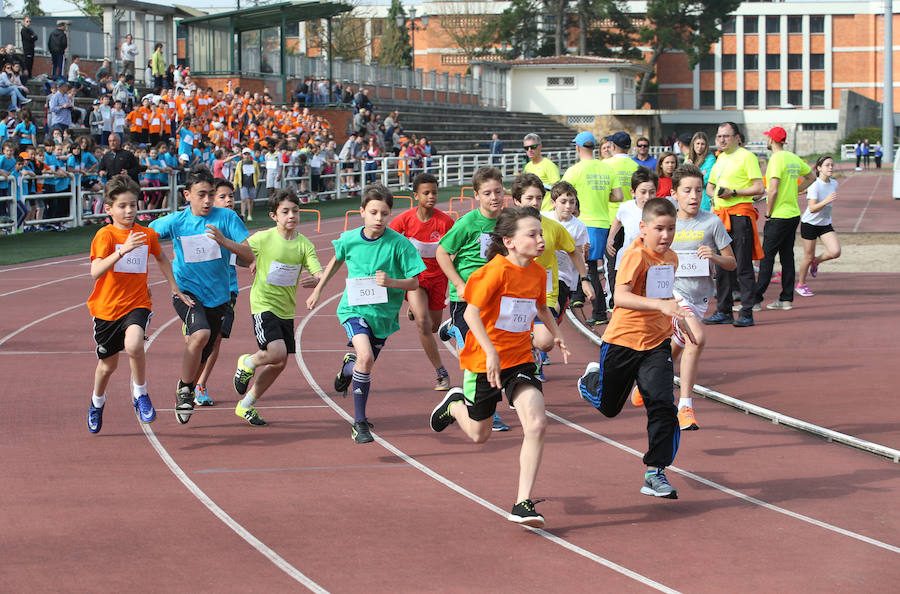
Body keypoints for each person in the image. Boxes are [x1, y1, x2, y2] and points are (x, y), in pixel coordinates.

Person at [430, 206, 569, 528]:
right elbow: (470, 315)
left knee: (537, 424)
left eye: (540, 233)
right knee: (480, 435)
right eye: (532, 234)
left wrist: (557, 335)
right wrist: (491, 352)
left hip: (520, 360)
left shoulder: (536, 272)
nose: (540, 239)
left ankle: (522, 503)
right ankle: (454, 406)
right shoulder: (492, 272)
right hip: (483, 361)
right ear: (509, 241)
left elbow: (539, 308)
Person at [577, 197, 695, 500]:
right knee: (609, 407)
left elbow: (664, 296)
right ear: (643, 228)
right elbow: (621, 297)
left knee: (662, 405)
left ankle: (656, 471)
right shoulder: (635, 256)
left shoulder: (671, 258)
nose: (666, 235)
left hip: (656, 343)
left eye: (671, 229)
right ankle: (591, 380)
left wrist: (677, 319)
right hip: (621, 342)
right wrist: (660, 305)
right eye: (659, 229)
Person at [306, 183, 426, 443]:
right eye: (373, 212)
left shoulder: (399, 244)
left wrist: (392, 282)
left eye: (384, 213)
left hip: (383, 316)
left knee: (364, 362)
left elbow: (415, 282)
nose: (379, 218)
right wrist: (319, 289)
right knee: (367, 356)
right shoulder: (349, 238)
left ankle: (348, 369)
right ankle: (359, 423)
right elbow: (336, 260)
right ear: (362, 211)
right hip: (353, 309)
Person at [85, 175, 191, 433]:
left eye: (133, 204)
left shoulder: (145, 234)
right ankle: (97, 402)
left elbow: (162, 257)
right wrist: (122, 250)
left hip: (137, 303)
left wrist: (174, 287)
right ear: (109, 209)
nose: (129, 210)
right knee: (107, 366)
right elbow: (95, 271)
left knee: (134, 344)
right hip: (107, 309)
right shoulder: (105, 235)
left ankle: (140, 393)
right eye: (122, 206)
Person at [149, 165, 252, 424]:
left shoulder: (226, 219)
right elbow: (145, 237)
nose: (207, 200)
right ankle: (185, 391)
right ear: (187, 195)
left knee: (206, 350)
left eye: (210, 194)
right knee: (200, 334)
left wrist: (225, 242)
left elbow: (250, 255)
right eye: (201, 194)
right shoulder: (176, 221)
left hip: (219, 296)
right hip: (186, 292)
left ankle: (188, 384)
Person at [232, 189, 323, 425]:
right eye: (285, 211)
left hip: (286, 309)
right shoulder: (263, 238)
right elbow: (240, 253)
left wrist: (317, 279)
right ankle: (247, 362)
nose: (291, 215)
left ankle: (246, 405)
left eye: (295, 210)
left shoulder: (304, 245)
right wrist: (250, 261)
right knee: (277, 353)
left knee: (280, 362)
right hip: (263, 303)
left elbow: (318, 271)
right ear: (274, 215)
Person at [658, 164, 736, 431]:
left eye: (698, 190)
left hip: (701, 297)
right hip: (674, 294)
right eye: (687, 190)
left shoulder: (711, 222)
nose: (693, 196)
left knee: (679, 344)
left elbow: (732, 263)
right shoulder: (667, 223)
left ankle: (651, 382)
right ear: (675, 194)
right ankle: (685, 406)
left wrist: (713, 256)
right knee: (697, 338)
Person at [436, 166, 508, 431]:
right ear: (477, 195)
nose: (494, 197)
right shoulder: (467, 223)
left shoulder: (508, 222)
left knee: (496, 350)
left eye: (498, 192)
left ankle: (481, 404)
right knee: (477, 354)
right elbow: (443, 253)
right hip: (466, 298)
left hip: (496, 299)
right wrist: (459, 283)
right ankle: (477, 407)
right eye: (487, 193)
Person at [511, 174, 590, 379]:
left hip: (545, 291)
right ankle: (525, 363)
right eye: (529, 198)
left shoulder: (553, 227)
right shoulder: (507, 226)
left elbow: (574, 251)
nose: (535, 203)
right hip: (513, 291)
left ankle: (534, 351)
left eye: (539, 198)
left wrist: (585, 278)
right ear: (517, 201)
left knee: (546, 341)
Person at [389, 172, 455, 391]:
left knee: (434, 327)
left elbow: (455, 250)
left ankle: (418, 310)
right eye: (426, 193)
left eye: (434, 192)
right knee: (423, 324)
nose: (431, 196)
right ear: (416, 195)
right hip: (415, 280)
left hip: (438, 279)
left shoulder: (445, 222)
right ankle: (441, 372)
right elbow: (387, 242)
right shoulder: (404, 220)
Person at [702, 122, 765, 327]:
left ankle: (747, 311)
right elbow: (710, 186)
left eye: (726, 136)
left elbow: (759, 187)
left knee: (742, 265)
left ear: (737, 137)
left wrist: (734, 193)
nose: (721, 140)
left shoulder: (747, 157)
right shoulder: (719, 159)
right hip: (720, 216)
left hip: (739, 215)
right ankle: (724, 310)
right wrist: (715, 195)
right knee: (722, 266)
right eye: (719, 136)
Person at [561, 131, 623, 327]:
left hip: (584, 223)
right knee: (593, 265)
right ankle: (580, 297)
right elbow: (618, 195)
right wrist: (601, 197)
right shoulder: (607, 169)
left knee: (589, 269)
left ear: (578, 148)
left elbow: (564, 196)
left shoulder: (574, 170)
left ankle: (599, 311)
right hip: (603, 222)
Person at [752, 126, 815, 312]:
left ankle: (755, 300)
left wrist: (769, 213)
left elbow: (773, 189)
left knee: (767, 258)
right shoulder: (793, 158)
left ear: (771, 140)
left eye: (767, 138)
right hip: (793, 214)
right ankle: (786, 298)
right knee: (788, 257)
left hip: (778, 215)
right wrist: (795, 190)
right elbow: (811, 177)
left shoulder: (775, 159)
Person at [189, 179, 238, 407]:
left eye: (231, 196)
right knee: (197, 338)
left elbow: (251, 253)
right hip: (197, 291)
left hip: (226, 290)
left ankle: (200, 384)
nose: (228, 200)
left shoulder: (233, 224)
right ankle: (187, 382)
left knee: (215, 339)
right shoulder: (196, 223)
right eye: (223, 196)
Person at [796, 155, 841, 297]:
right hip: (809, 224)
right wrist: (826, 200)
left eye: (832, 165)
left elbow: (806, 192)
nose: (831, 168)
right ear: (819, 168)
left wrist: (804, 192)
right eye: (827, 165)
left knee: (835, 252)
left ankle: (816, 262)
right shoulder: (815, 185)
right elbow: (813, 208)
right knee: (807, 257)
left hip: (825, 224)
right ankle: (801, 285)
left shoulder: (834, 183)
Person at [604, 131, 638, 309]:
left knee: (611, 261)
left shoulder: (606, 164)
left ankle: (613, 299)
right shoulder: (636, 166)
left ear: (612, 146)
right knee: (633, 259)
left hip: (611, 218)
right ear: (629, 147)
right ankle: (630, 294)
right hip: (633, 219)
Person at [686, 132, 716, 210]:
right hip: (689, 199)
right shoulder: (688, 158)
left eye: (702, 144)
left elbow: (706, 180)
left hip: (704, 201)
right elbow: (684, 179)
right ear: (693, 144)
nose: (700, 147)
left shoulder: (710, 159)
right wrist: (699, 173)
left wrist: (692, 169)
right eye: (697, 143)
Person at [233, 147, 259, 220]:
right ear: (243, 155)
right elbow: (236, 175)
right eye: (245, 154)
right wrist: (235, 185)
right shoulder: (240, 163)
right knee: (243, 199)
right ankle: (243, 214)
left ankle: (250, 214)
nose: (246, 156)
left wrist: (255, 182)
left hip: (252, 184)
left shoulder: (254, 163)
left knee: (251, 200)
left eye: (248, 154)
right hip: (243, 184)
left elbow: (257, 173)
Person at [20, 16, 37, 80]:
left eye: (29, 21)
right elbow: (29, 38)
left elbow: (35, 37)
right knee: (27, 63)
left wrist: (33, 37)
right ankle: (27, 76)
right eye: (27, 21)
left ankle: (30, 75)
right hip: (27, 49)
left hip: (31, 49)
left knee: (31, 62)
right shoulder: (24, 30)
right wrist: (32, 37)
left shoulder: (30, 30)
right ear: (24, 22)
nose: (28, 23)